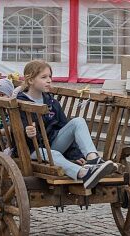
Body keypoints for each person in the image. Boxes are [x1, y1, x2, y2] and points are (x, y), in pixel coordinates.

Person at [16, 60, 115, 189]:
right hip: (32, 149)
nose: (49, 80)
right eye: (44, 77)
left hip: (52, 144)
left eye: (50, 76)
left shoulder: (52, 102)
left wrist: (76, 154)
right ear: (30, 80)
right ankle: (84, 174)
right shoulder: (19, 102)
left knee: (78, 121)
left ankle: (93, 159)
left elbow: (64, 128)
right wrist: (26, 132)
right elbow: (15, 130)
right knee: (55, 155)